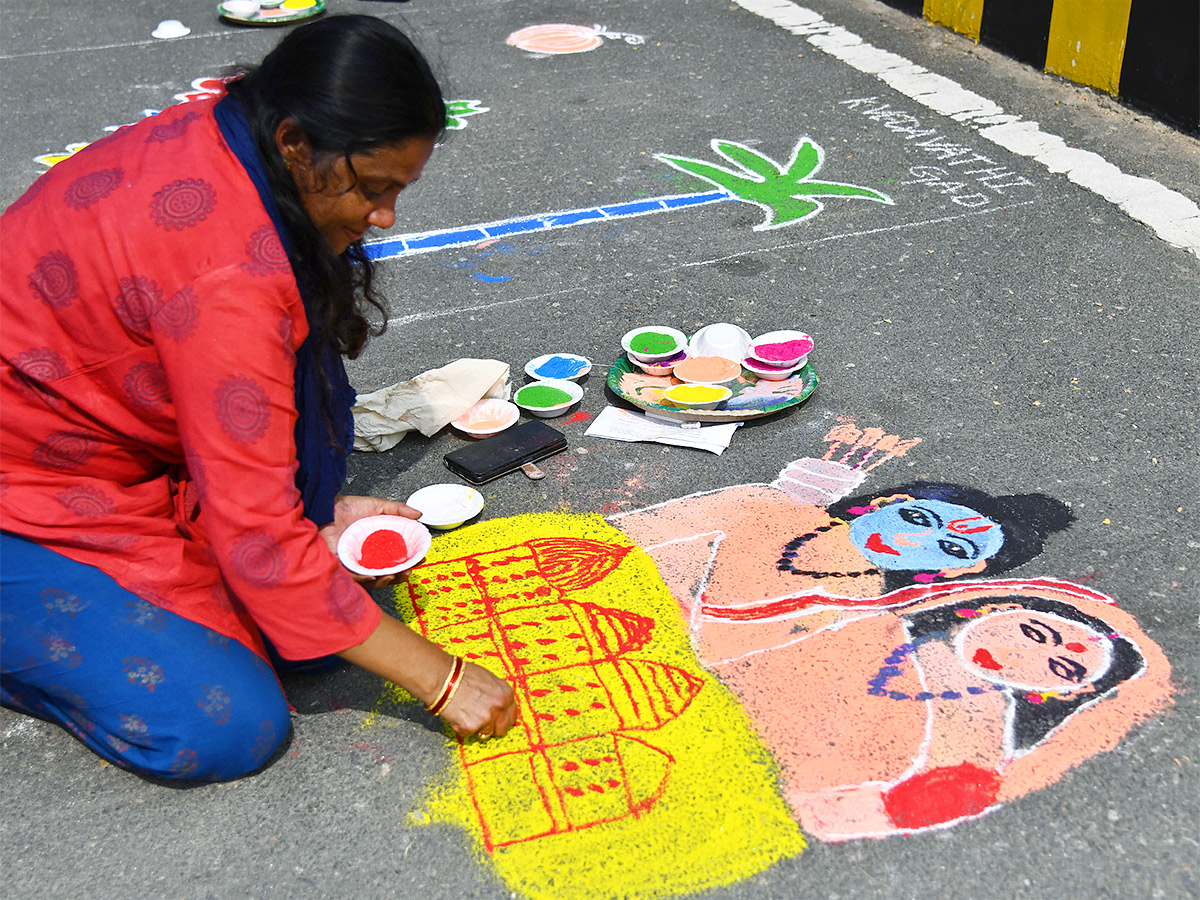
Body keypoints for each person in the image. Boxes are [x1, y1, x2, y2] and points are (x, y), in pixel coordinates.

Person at [0, 15, 517, 783]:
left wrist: (310, 513)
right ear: (294, 142)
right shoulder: (227, 282)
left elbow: (258, 412)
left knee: (306, 622)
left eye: (398, 191)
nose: (385, 218)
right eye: (373, 189)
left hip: (97, 445)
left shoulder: (236, 134)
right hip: (29, 495)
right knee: (226, 721)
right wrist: (439, 679)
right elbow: (261, 542)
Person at [684, 577, 1172, 840]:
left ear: (1064, 696)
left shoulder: (980, 725)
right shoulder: (879, 619)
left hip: (720, 794)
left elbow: (853, 815)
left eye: (1060, 669)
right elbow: (719, 635)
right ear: (1003, 608)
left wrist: (789, 807)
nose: (1029, 655)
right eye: (1035, 633)